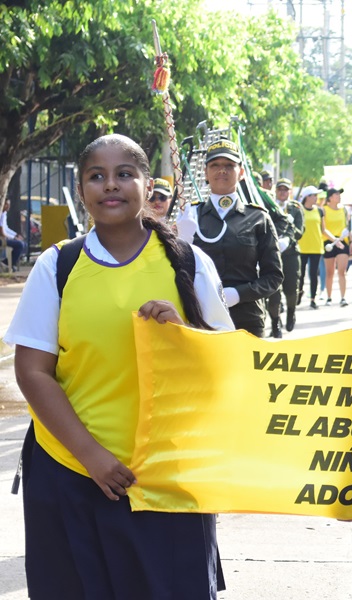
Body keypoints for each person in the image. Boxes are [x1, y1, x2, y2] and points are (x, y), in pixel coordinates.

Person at [4, 134, 234, 599]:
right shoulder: (58, 266)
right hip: (70, 470)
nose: (111, 185)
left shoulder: (187, 263)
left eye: (125, 174)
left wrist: (180, 334)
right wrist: (92, 458)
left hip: (166, 474)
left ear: (149, 186)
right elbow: (32, 372)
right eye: (97, 176)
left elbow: (225, 367)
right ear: (82, 188)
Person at [177, 139, 283, 337]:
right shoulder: (190, 216)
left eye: (229, 165)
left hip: (246, 318)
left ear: (241, 172)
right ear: (206, 173)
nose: (222, 170)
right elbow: (177, 270)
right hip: (202, 317)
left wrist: (238, 294)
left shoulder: (258, 217)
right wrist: (181, 239)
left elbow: (274, 277)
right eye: (215, 165)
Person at [268, 178, 305, 334]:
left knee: (291, 289)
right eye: (280, 190)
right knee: (273, 291)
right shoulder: (270, 206)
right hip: (272, 253)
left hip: (290, 253)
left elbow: (300, 232)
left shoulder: (296, 208)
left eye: (286, 190)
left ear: (290, 192)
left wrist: (290, 228)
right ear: (276, 191)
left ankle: (291, 312)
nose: (282, 193)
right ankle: (275, 324)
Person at [322, 187, 351, 306]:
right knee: (330, 272)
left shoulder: (344, 209)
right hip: (328, 243)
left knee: (342, 271)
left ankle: (343, 298)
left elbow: (348, 226)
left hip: (342, 242)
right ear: (330, 197)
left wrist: (349, 239)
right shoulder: (323, 210)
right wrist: (334, 240)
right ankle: (329, 297)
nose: (339, 196)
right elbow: (323, 229)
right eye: (336, 194)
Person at [1, 198, 26, 271]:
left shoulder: (4, 214)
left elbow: (6, 228)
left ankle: (8, 262)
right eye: (6, 204)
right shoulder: (0, 214)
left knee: (24, 244)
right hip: (2, 239)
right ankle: (10, 264)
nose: (8, 206)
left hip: (6, 237)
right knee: (19, 244)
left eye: (9, 204)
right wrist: (13, 238)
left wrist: (15, 235)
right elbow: (2, 232)